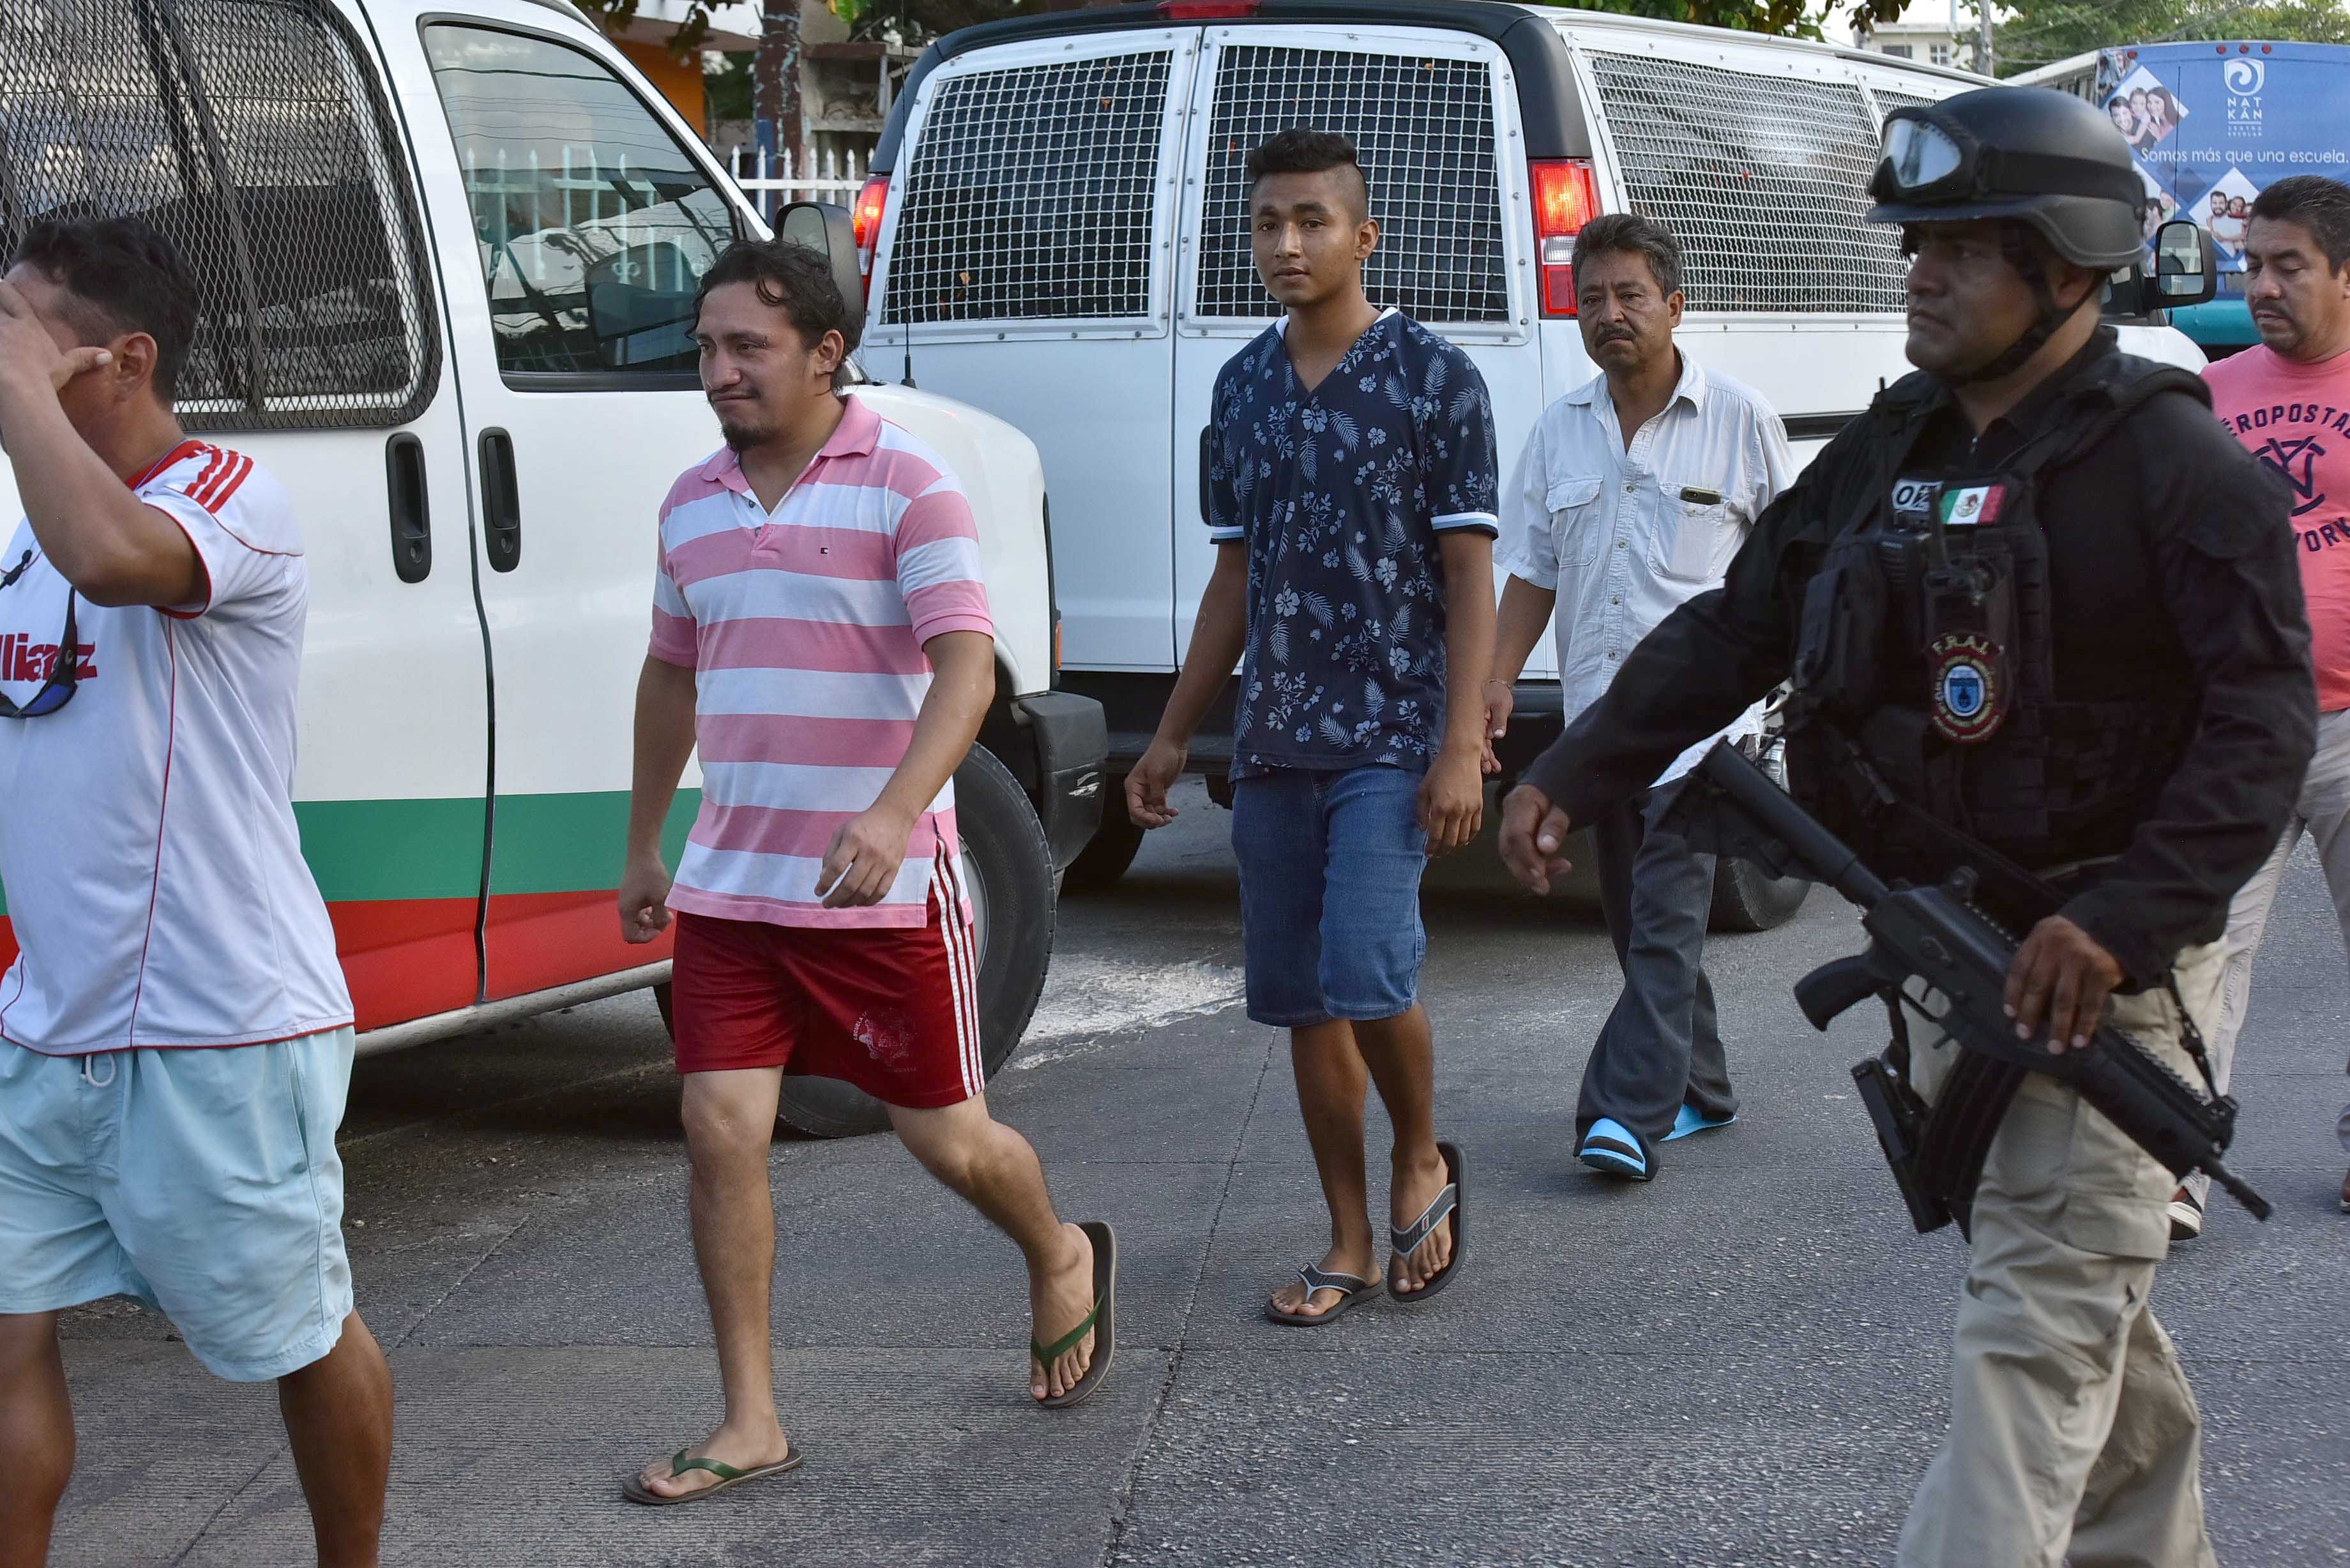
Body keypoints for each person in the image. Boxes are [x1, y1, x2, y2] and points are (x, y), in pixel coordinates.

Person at [1498, 87, 2311, 1565]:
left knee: (2036, 1332)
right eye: (1911, 247)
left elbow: (2259, 736)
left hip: (2099, 983)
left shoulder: (2177, 471)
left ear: (2066, 266)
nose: (1916, 276)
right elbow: (1737, 626)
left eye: (1958, 248)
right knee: (2084, 1339)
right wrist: (1577, 767)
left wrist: (2118, 919)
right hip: (1950, 961)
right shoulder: (1891, 449)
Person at [618, 237, 1116, 1504]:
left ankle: (1058, 1248)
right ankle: (749, 1418)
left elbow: (964, 666)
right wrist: (641, 841)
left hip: (885, 891)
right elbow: (672, 671)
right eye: (706, 347)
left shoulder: (910, 482)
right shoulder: (690, 501)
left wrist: (898, 814)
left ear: (824, 352)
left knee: (946, 1136)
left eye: (748, 348)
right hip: (736, 886)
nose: (718, 371)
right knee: (718, 1127)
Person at [0, 219, 390, 1567]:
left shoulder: (234, 498)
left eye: (23, 324)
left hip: (219, 1030)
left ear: (125, 357)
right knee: (5, 1339)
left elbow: (115, 558)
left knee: (299, 1334)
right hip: (46, 1028)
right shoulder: (14, 527)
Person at [1127, 128, 1495, 1325]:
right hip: (1277, 739)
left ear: (1363, 235)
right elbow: (1234, 576)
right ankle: (1344, 1235)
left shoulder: (1439, 379)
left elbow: (1469, 571)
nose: (1287, 244)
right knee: (1299, 997)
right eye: (1267, 224)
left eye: (1312, 222)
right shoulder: (1240, 387)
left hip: (1393, 736)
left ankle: (1422, 1155)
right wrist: (1178, 730)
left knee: (1366, 971)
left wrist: (1459, 746)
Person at [1485, 213, 1794, 1181]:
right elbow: (1532, 571)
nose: (1611, 315)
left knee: (1664, 918)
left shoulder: (1740, 421)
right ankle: (1705, 1087)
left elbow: (1789, 574)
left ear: (1675, 305)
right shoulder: (1561, 430)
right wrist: (1496, 679)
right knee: (1634, 925)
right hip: (1598, 733)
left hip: (1708, 735)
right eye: (1593, 299)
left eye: (1630, 295)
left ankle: (1626, 1111)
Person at [2195, 174, 2350, 1232]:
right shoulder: (2212, 393)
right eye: (2251, 264)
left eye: (2287, 264)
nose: (2262, 285)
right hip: (2236, 729)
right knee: (2195, 954)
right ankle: (2171, 1164)